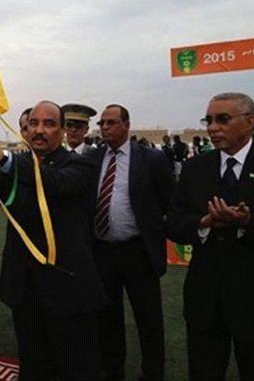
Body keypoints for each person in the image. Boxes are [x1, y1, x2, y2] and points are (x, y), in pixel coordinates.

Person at [0, 101, 108, 381]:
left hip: (67, 290)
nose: (39, 130)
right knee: (33, 365)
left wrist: (3, 158)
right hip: (25, 288)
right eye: (33, 124)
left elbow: (56, 183)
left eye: (49, 124)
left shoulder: (80, 164)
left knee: (75, 368)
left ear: (62, 131)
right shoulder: (17, 167)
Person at [168, 92, 254, 380]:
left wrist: (247, 222)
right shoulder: (195, 167)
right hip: (205, 298)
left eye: (222, 119)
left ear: (250, 121)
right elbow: (173, 223)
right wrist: (204, 222)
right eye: (208, 120)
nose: (213, 128)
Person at [89, 104, 174, 381]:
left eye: (111, 122)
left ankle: (153, 373)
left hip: (138, 251)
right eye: (102, 123)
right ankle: (113, 371)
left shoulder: (151, 159)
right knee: (108, 317)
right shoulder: (94, 158)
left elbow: (169, 201)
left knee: (148, 319)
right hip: (103, 252)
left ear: (126, 125)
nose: (104, 127)